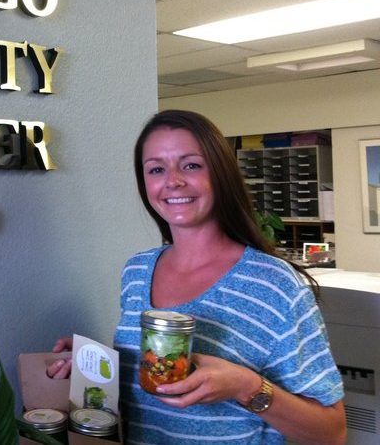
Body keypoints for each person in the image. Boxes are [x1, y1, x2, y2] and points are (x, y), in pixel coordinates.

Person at [48, 110, 346, 444]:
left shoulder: (274, 284)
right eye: (156, 169)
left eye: (191, 165)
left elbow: (331, 432)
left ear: (221, 173)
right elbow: (153, 378)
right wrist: (99, 362)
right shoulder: (136, 271)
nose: (172, 180)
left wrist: (245, 386)